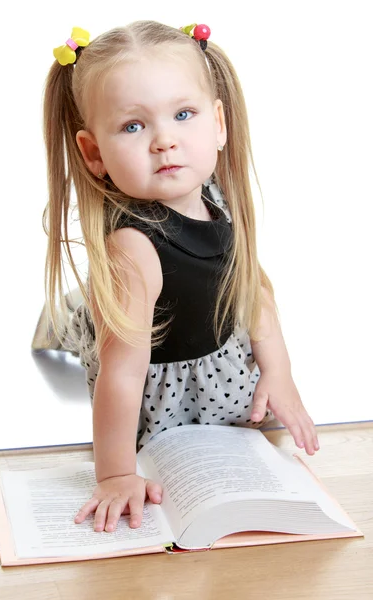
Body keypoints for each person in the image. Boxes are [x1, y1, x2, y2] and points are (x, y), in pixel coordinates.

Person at [33, 20, 320, 534]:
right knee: (82, 322)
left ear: (218, 124)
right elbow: (122, 375)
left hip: (213, 363)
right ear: (93, 153)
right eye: (133, 126)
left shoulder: (217, 196)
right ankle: (65, 317)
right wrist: (116, 473)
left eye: (182, 115)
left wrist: (279, 372)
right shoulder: (131, 249)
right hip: (152, 374)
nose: (165, 141)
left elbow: (253, 292)